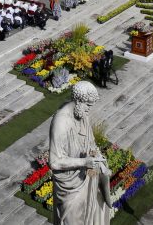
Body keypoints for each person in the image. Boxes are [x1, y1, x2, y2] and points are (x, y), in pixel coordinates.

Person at [49, 81, 113, 224]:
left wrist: (99, 160)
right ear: (78, 100)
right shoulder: (61, 121)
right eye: (88, 105)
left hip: (87, 177)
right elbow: (54, 162)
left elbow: (91, 144)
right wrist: (84, 162)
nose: (89, 110)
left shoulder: (82, 115)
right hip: (69, 187)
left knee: (94, 214)